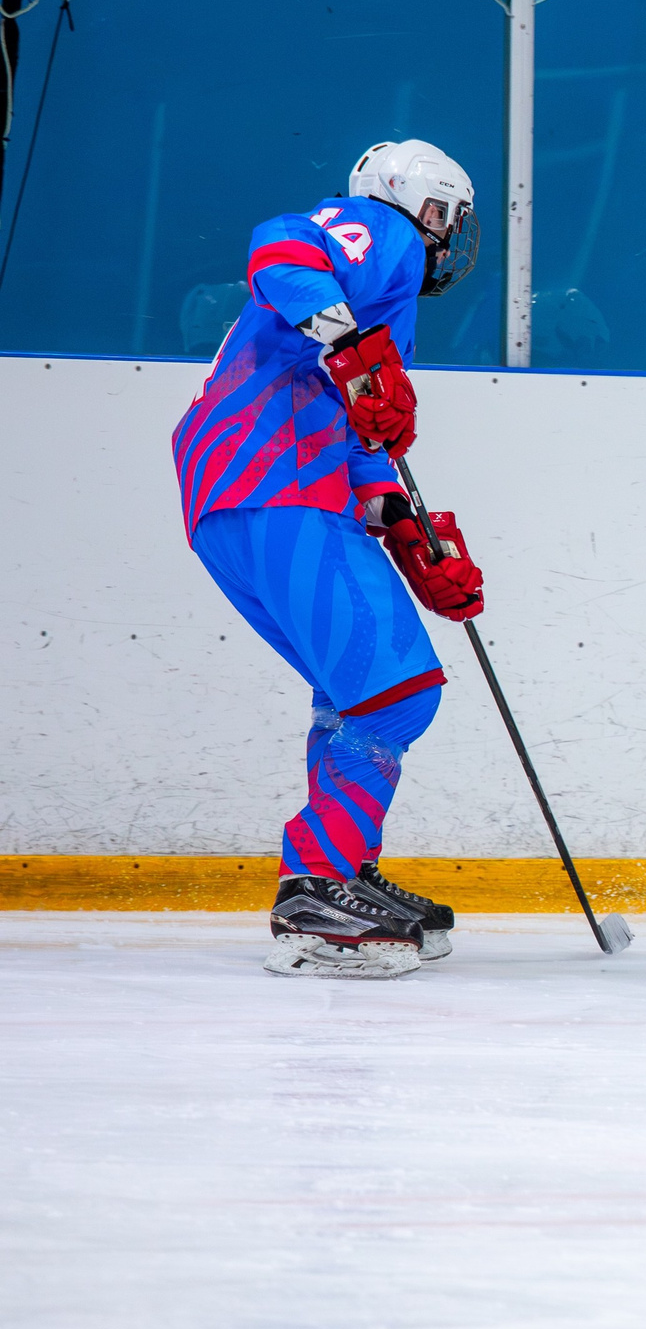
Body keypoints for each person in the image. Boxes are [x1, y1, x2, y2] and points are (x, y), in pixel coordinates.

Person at [170, 139, 488, 979]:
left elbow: (356, 435)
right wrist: (344, 338)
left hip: (253, 493)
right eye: (448, 219)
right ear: (417, 203)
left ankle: (342, 873)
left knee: (358, 692)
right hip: (269, 485)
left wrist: (408, 529)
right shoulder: (379, 233)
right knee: (397, 690)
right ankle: (316, 884)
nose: (449, 239)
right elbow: (282, 243)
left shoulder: (384, 308)